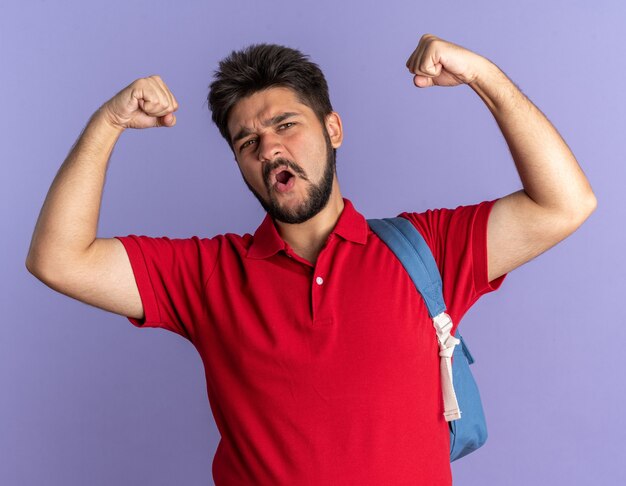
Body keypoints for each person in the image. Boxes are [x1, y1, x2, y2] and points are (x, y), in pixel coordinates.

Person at [26, 34, 596, 485]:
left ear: (333, 129)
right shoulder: (206, 275)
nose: (269, 147)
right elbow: (58, 258)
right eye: (246, 143)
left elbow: (565, 203)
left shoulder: (428, 249)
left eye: (285, 125)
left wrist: (484, 77)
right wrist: (109, 123)